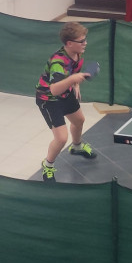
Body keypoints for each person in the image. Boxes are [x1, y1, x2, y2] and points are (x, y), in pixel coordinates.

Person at [36, 22, 97, 182]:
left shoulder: (77, 53)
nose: (85, 43)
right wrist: (72, 79)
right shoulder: (58, 62)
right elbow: (54, 89)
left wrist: (75, 84)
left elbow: (73, 72)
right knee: (61, 138)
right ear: (69, 43)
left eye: (85, 39)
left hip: (66, 92)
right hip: (48, 99)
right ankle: (48, 165)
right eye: (81, 41)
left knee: (79, 120)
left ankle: (76, 147)